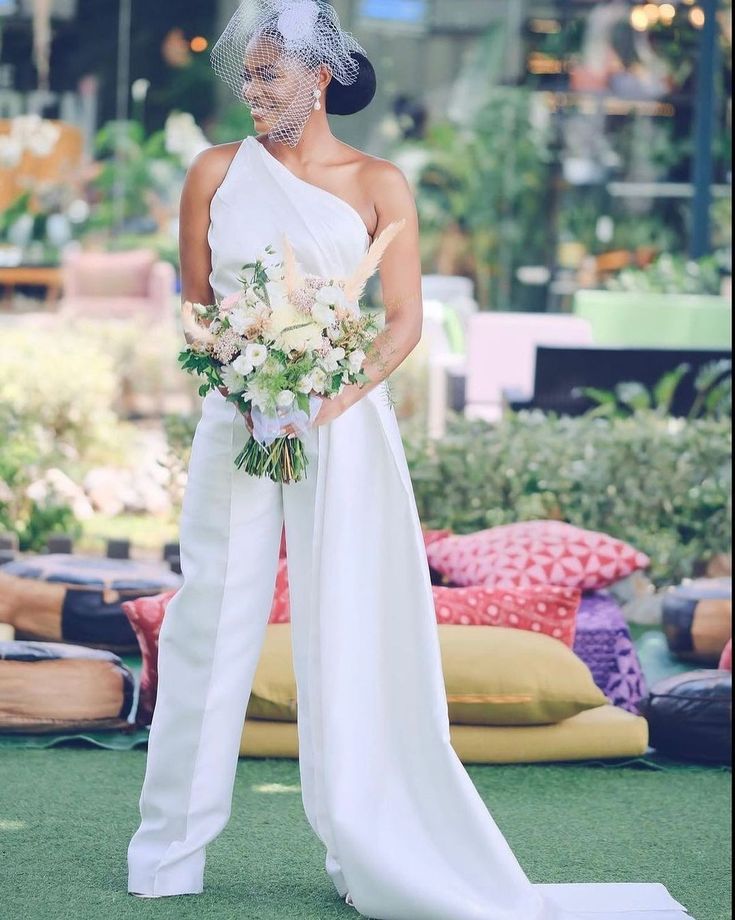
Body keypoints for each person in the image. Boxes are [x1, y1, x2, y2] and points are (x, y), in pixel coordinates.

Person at [127, 4, 692, 918]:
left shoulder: (379, 181)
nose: (253, 88)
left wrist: (330, 398)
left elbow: (402, 323)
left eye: (271, 73)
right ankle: (166, 858)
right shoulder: (212, 174)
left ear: (319, 79)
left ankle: (365, 842)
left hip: (344, 431)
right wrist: (245, 380)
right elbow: (196, 307)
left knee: (349, 621)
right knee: (208, 620)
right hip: (236, 422)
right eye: (248, 72)